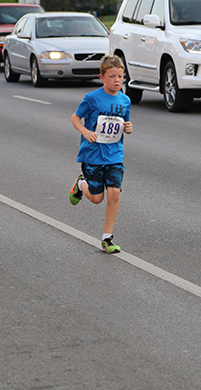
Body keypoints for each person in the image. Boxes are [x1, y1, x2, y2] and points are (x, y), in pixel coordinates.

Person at [68, 55, 133, 253]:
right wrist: (86, 132)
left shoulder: (125, 100)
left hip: (114, 154)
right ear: (102, 77)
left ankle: (107, 238)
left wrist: (128, 127)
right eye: (112, 76)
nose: (117, 80)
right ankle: (81, 183)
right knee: (97, 199)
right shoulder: (92, 98)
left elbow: (124, 123)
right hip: (93, 155)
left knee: (114, 193)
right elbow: (75, 118)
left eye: (120, 77)